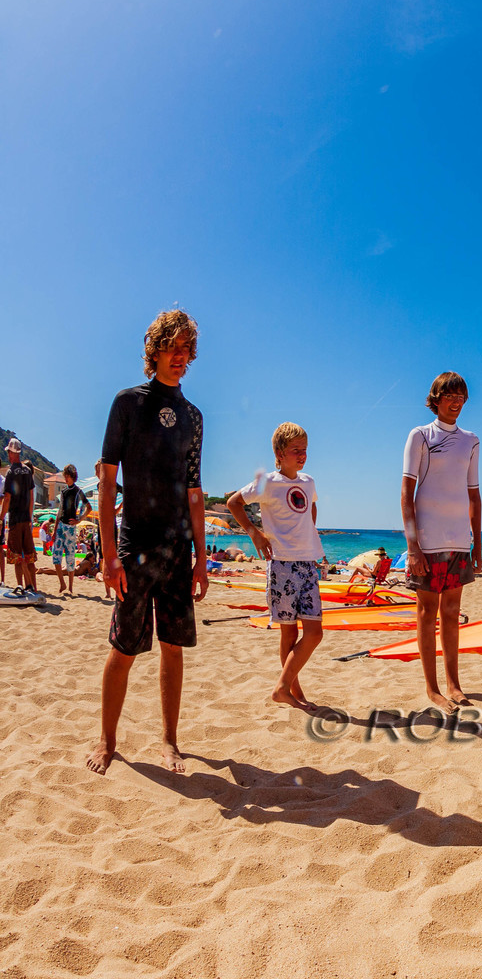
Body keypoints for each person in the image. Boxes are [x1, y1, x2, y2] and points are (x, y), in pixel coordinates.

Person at [87, 308, 208, 775]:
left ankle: (170, 742)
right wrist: (109, 555)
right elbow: (106, 483)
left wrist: (201, 558)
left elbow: (195, 491)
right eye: (173, 348)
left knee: (173, 647)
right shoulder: (128, 403)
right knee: (123, 647)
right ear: (154, 350)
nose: (181, 357)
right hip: (134, 544)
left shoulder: (193, 417)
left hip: (177, 549)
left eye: (188, 350)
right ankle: (107, 739)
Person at [228, 422, 325, 709]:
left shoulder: (308, 481)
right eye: (296, 450)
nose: (302, 455)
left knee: (315, 632)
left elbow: (312, 505)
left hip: (308, 563)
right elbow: (235, 502)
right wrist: (254, 532)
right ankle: (293, 692)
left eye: (305, 450)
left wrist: (309, 529)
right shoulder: (268, 482)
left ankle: (283, 687)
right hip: (281, 564)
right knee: (289, 632)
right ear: (280, 453)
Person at [401, 372, 482, 713]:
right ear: (435, 398)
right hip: (428, 540)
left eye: (461, 396)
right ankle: (432, 688)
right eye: (449, 395)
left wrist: (477, 543)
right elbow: (407, 493)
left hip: (458, 541)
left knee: (452, 613)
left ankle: (453, 684)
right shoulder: (420, 435)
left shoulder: (471, 440)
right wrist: (413, 546)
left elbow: (474, 496)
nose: (456, 401)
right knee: (426, 613)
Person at [3, 438, 38, 598]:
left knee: (17, 556)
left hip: (16, 519)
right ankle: (32, 587)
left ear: (11, 453)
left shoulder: (11, 473)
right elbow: (31, 496)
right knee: (29, 555)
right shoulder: (27, 471)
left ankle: (20, 586)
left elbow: (8, 498)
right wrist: (30, 517)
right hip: (26, 519)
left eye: (9, 452)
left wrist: (1, 517)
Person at [52, 464, 92, 595]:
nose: (65, 478)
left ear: (72, 476)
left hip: (70, 528)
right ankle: (62, 583)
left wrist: (79, 519)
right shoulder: (63, 492)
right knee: (56, 557)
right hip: (61, 527)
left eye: (67, 476)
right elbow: (60, 511)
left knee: (70, 558)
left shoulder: (78, 491)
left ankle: (70, 587)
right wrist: (54, 528)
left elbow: (88, 507)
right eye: (65, 476)